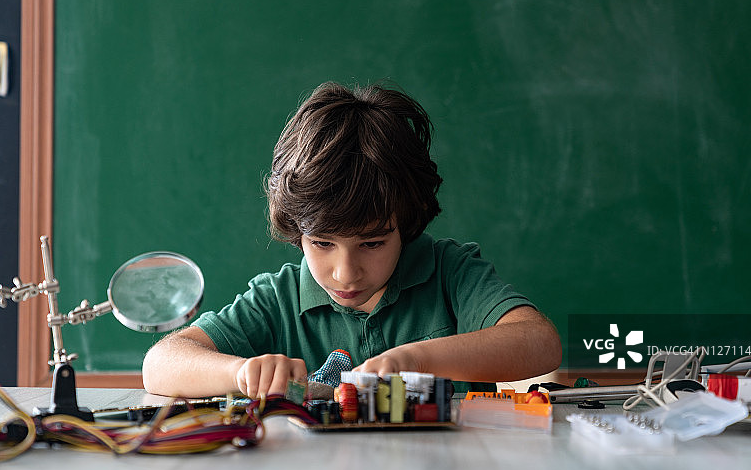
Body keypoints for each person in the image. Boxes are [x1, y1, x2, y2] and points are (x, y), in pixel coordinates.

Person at [142, 81, 561, 399]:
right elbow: (160, 363)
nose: (345, 272)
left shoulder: (449, 273)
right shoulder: (278, 300)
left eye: (372, 244)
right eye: (323, 244)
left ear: (407, 224)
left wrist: (416, 360)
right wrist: (238, 373)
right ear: (297, 230)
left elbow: (540, 343)